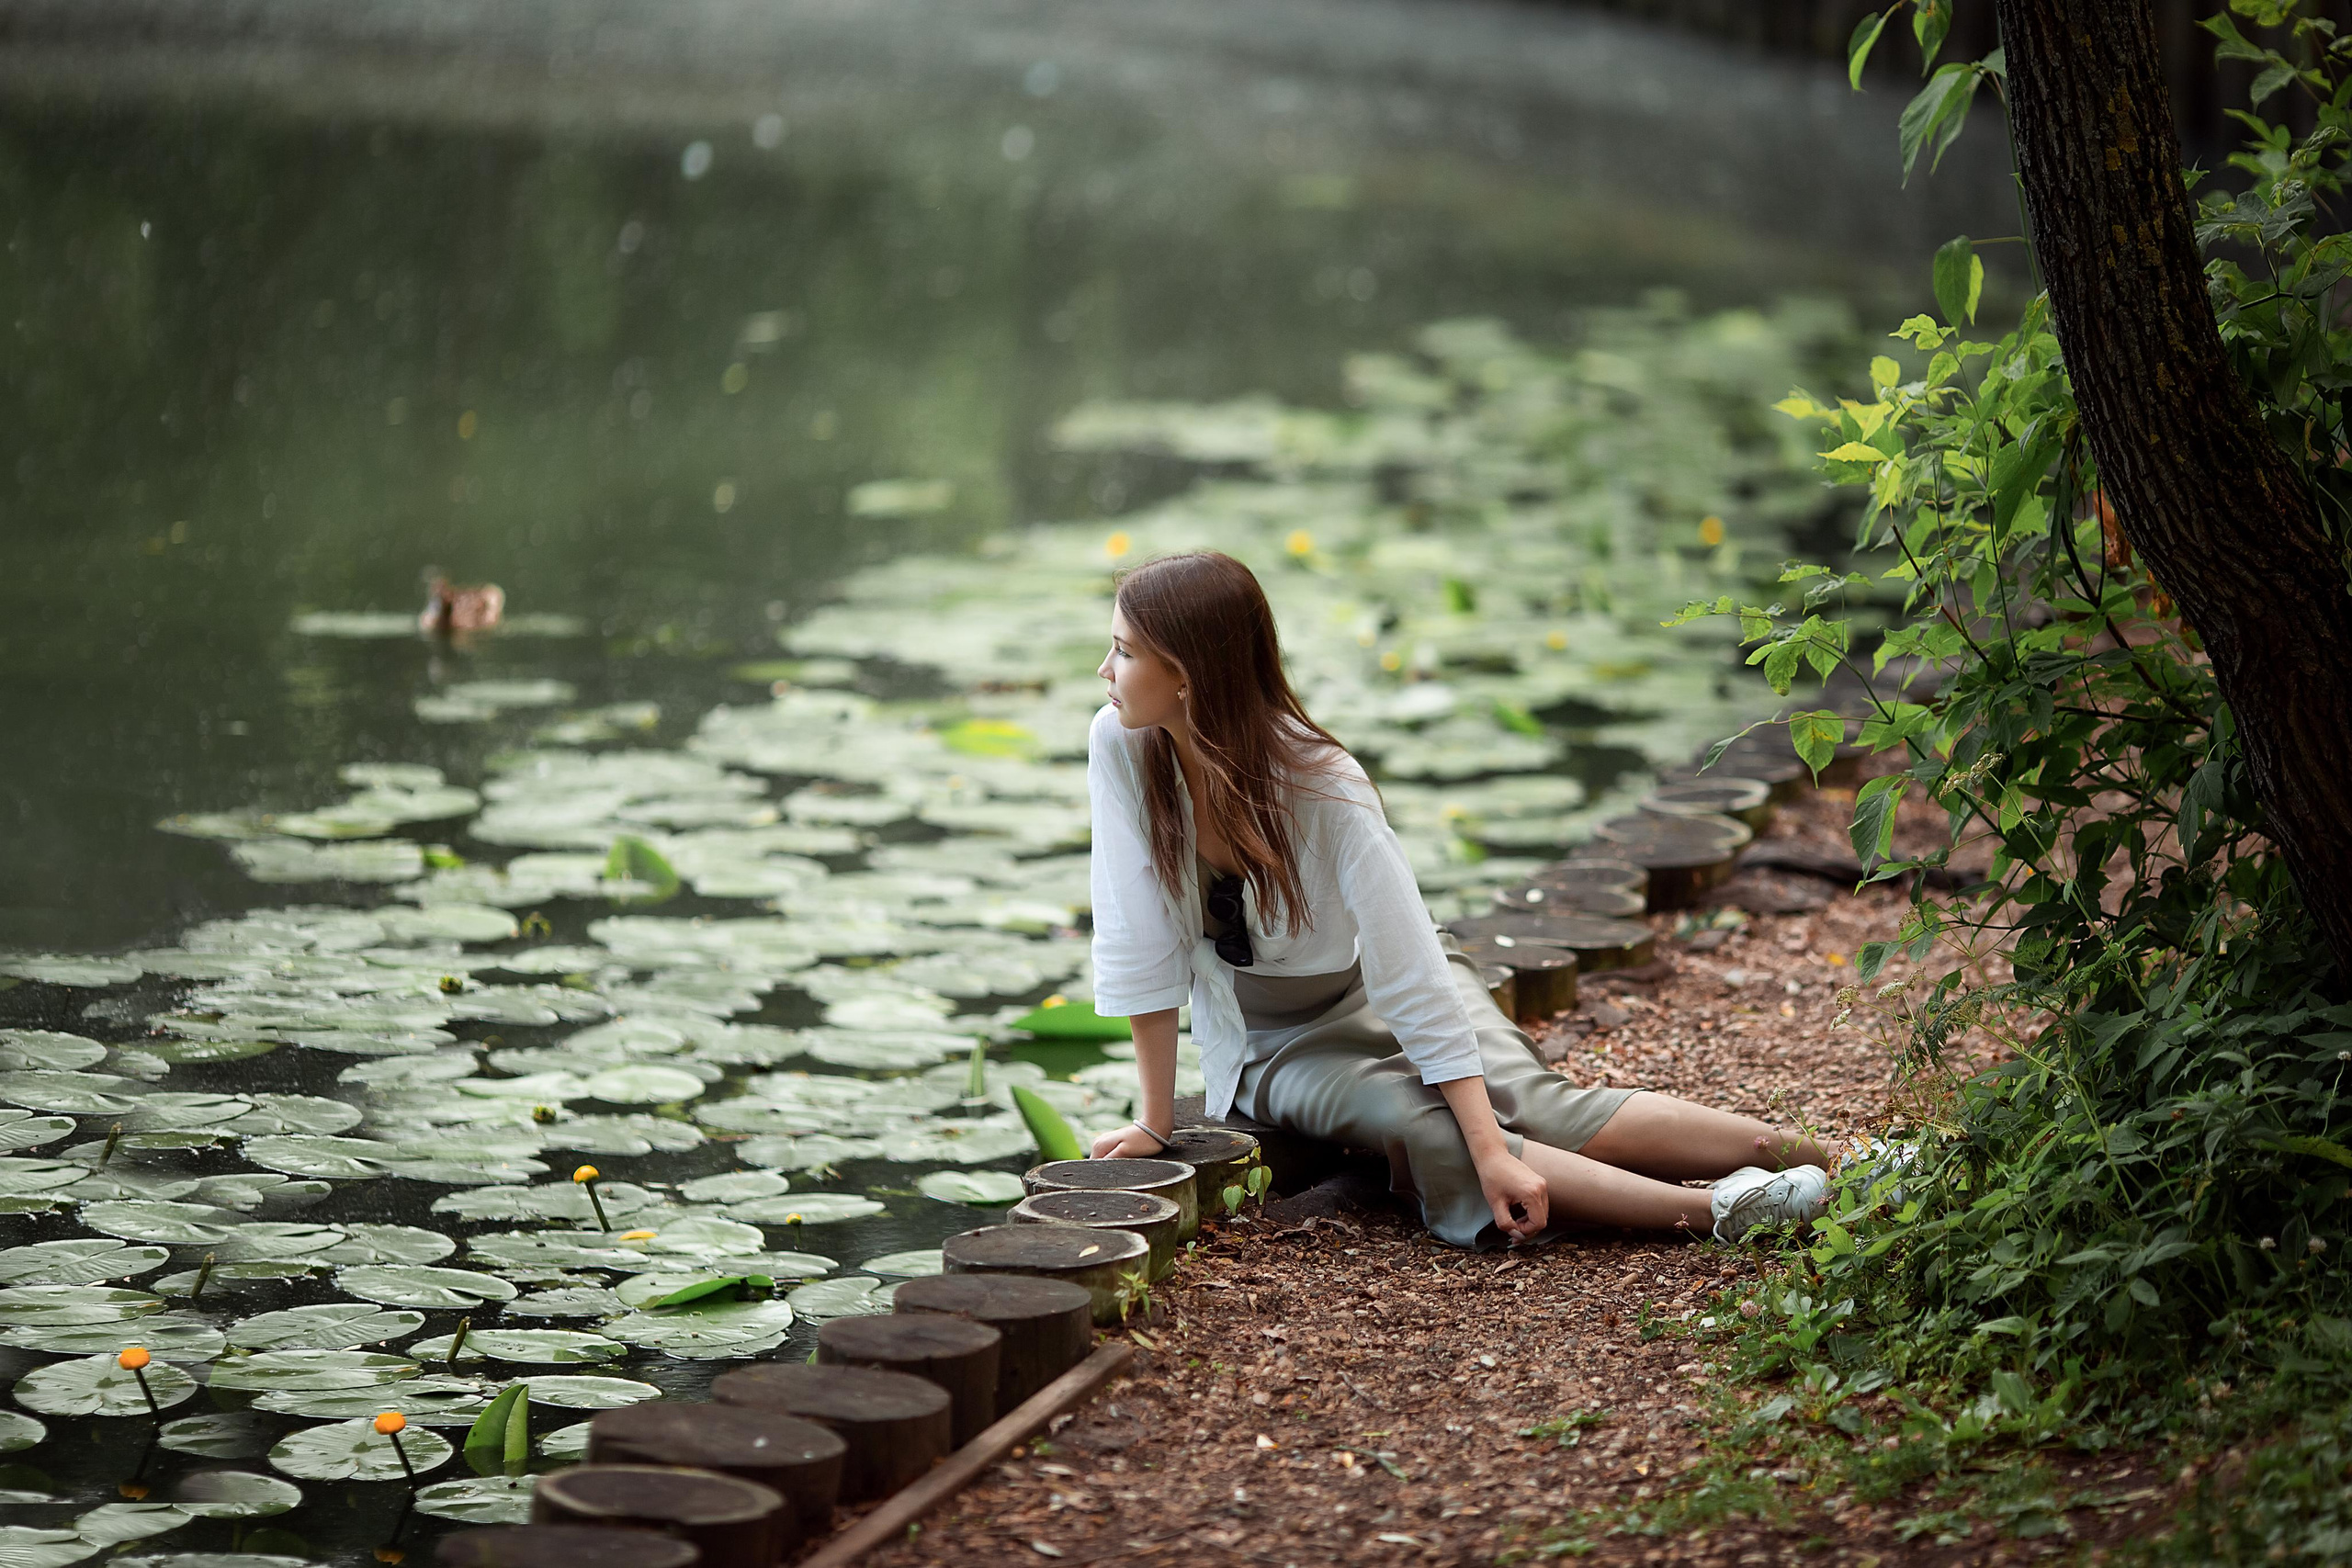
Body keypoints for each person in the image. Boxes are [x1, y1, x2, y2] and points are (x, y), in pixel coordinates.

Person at [1083, 550, 1835, 1248]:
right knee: (1420, 1123)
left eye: (1124, 650)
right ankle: (1723, 1211)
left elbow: (1407, 966)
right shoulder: (1121, 744)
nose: (1105, 668)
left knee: (1533, 1103)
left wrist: (1492, 1145)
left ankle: (1839, 1156)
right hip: (1277, 1044)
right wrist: (1155, 1120)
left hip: (1386, 978)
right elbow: (1139, 936)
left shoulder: (1322, 781)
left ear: (1187, 674)